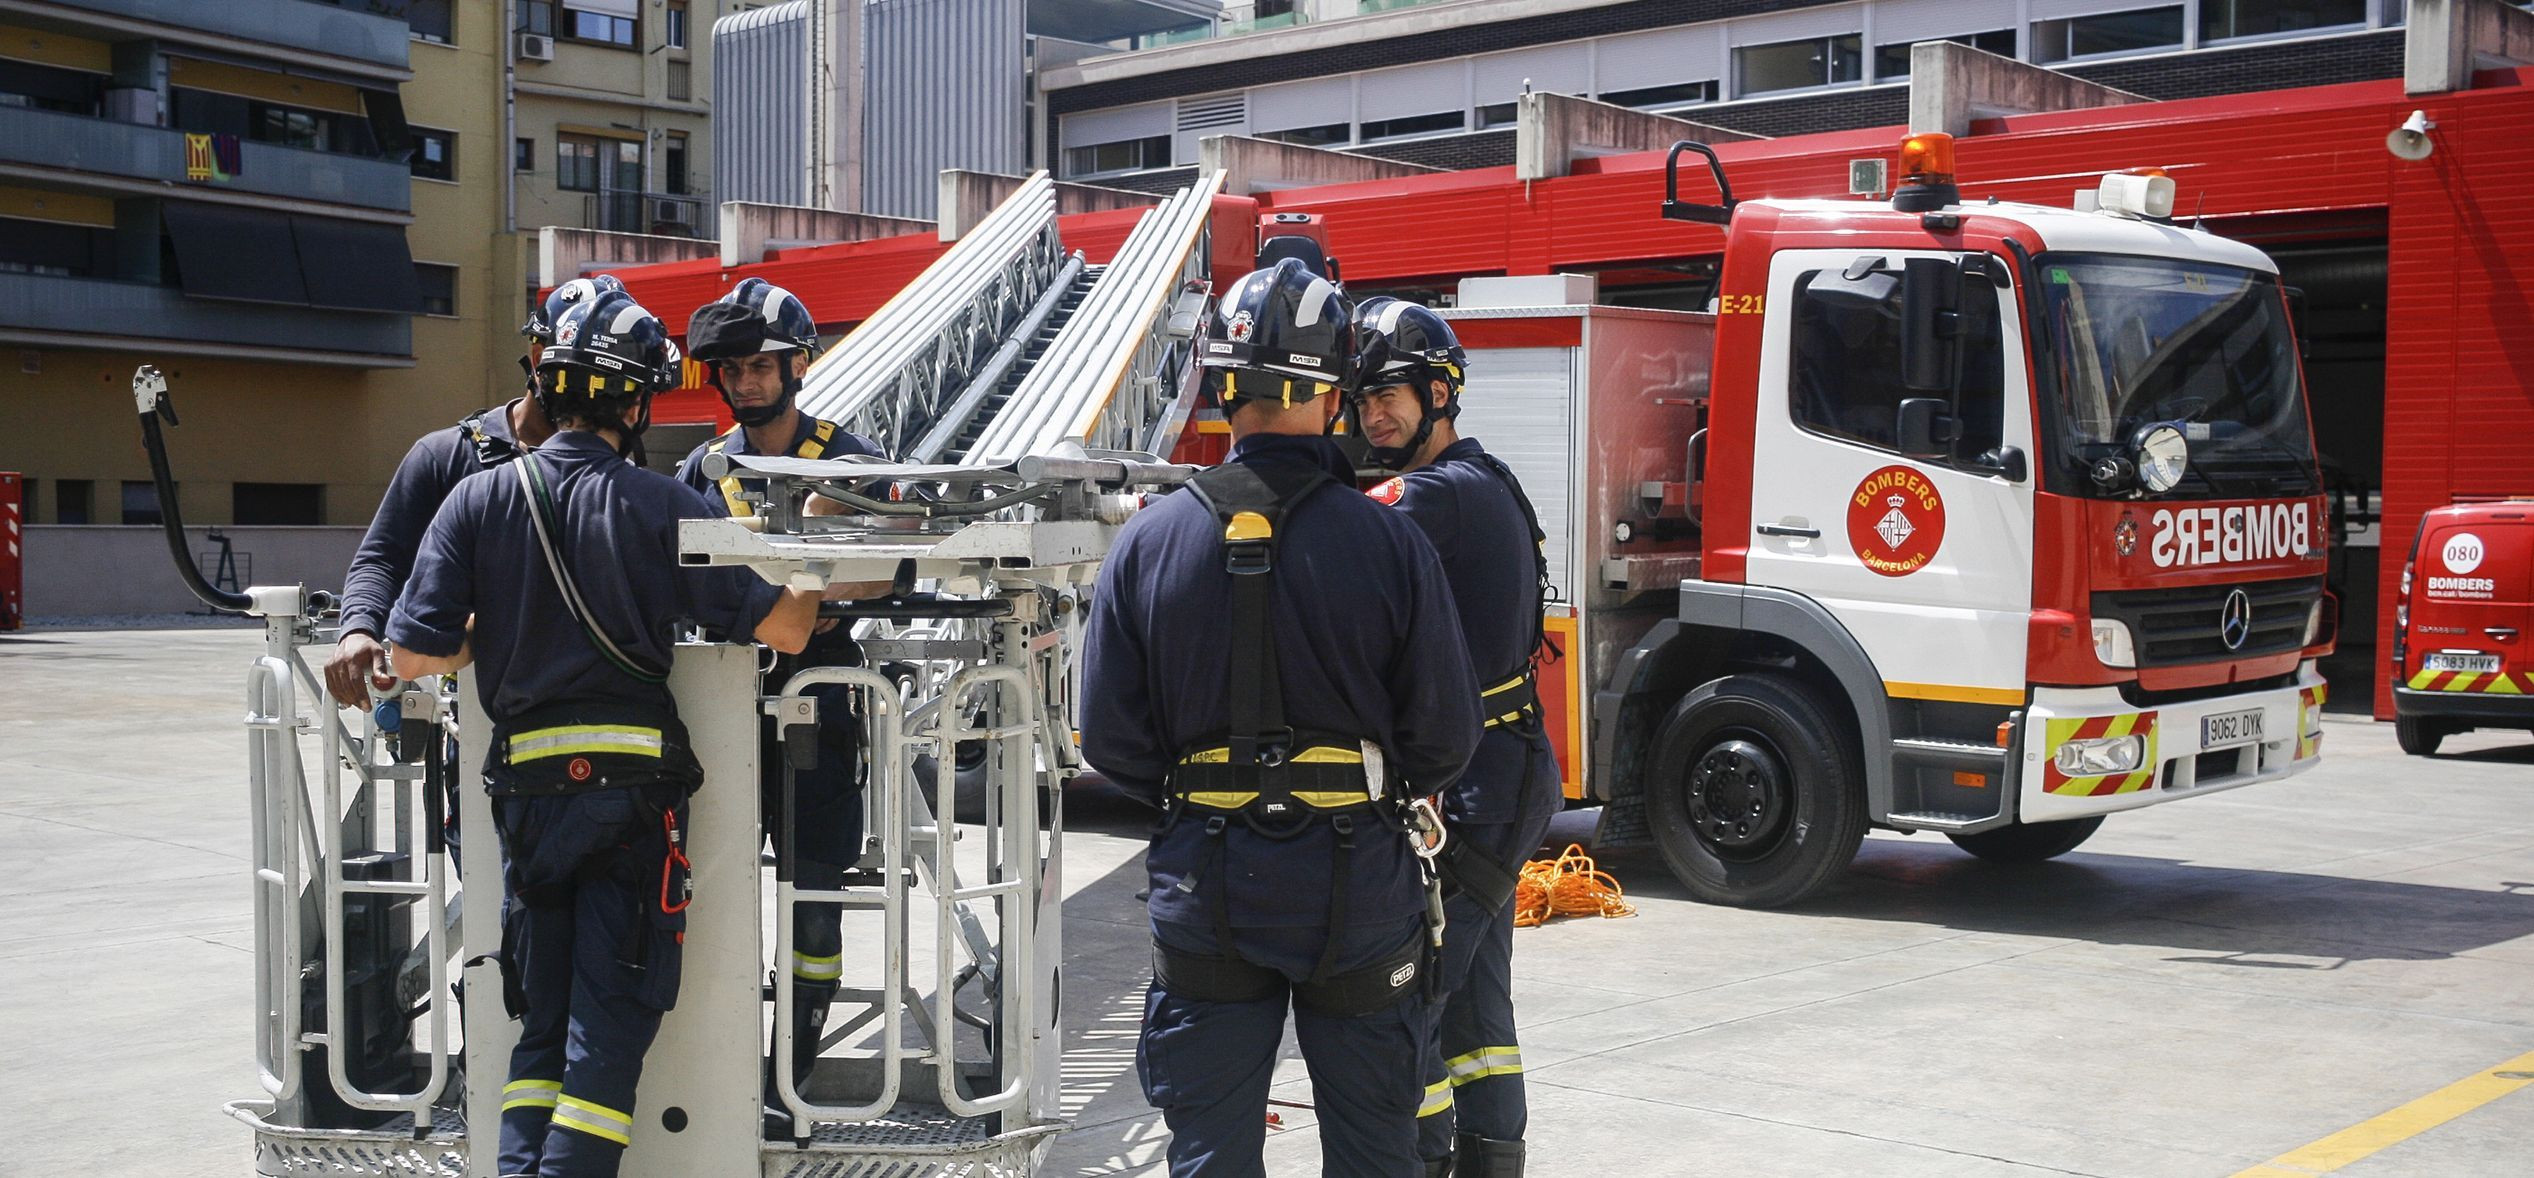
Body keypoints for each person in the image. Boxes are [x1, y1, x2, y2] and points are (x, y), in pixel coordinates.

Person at [387, 290, 821, 1178]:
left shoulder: (476, 499)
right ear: (636, 403)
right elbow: (784, 631)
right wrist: (815, 554)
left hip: (526, 809)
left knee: (537, 1037)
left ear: (550, 387)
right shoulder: (664, 506)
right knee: (605, 1047)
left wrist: (493, 637)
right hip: (631, 809)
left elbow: (408, 653)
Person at [1080, 259, 1484, 1178]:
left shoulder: (1148, 540)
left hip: (1207, 883)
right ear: (1334, 390)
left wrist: (1198, 791)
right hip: (1355, 886)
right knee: (1377, 1149)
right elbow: (1446, 736)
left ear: (1224, 383)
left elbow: (1108, 736)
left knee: (1212, 1152)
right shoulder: (1389, 540)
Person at [1347, 298, 1561, 1178]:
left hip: (1477, 787)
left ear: (1441, 391)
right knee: (1476, 1011)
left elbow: (1337, 532)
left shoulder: (1440, 494)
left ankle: (1424, 1161)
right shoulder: (1483, 482)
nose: (1372, 416)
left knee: (1412, 1004)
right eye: (1360, 400)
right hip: (1498, 775)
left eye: (1390, 393)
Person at [670, 276, 888, 1121]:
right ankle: (717, 1070)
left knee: (814, 899)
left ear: (798, 364)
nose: (748, 381)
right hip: (718, 706)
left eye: (762, 365)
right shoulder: (701, 467)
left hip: (817, 708)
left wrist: (813, 575)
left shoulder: (850, 461)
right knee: (711, 889)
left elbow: (881, 575)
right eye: (733, 369)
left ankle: (790, 1076)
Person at [326, 274, 624, 710]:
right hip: (463, 705)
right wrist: (358, 629)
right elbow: (383, 558)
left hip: (588, 699)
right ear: (539, 356)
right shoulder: (445, 457)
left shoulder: (620, 471)